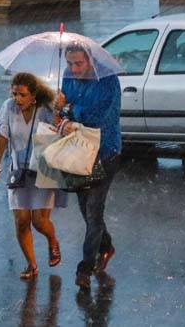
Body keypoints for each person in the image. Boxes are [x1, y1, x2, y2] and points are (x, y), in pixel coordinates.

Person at [0, 72, 68, 280]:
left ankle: (52, 241)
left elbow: (61, 131)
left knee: (40, 222)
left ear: (34, 96)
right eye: (14, 93)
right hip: (18, 170)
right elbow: (2, 136)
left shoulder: (46, 109)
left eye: (22, 95)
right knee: (22, 221)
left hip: (44, 169)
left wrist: (59, 111)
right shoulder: (8, 107)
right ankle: (32, 265)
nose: (17, 99)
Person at [53, 42, 122, 290]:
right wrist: (60, 111)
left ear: (90, 59)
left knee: (94, 210)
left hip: (105, 152)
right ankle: (106, 246)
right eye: (70, 63)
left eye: (79, 63)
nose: (74, 68)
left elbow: (99, 116)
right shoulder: (68, 77)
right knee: (85, 209)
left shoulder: (108, 80)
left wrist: (70, 109)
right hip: (79, 151)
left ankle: (85, 267)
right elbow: (63, 113)